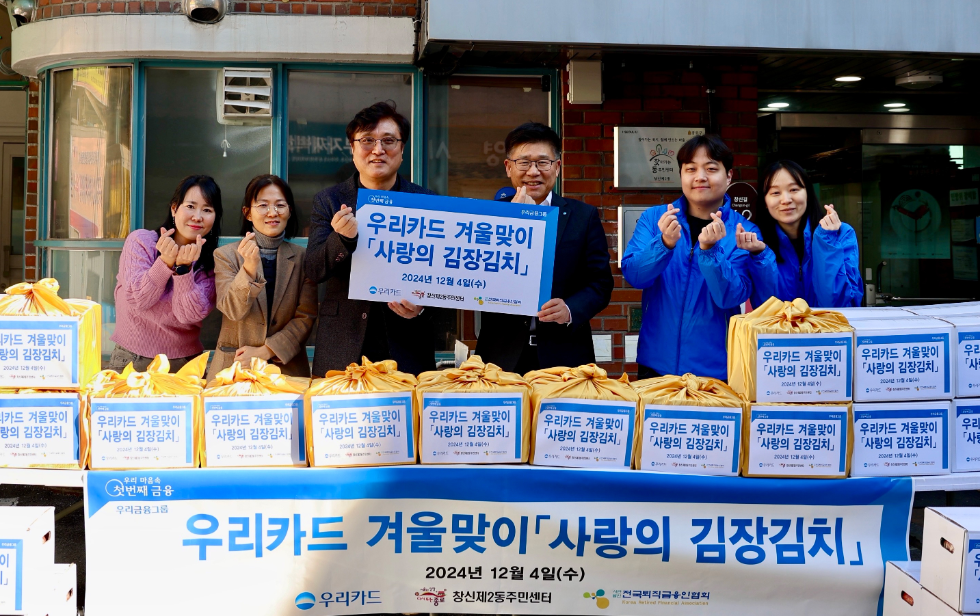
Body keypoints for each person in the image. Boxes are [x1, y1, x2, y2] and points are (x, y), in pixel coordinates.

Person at [305, 101, 438, 376]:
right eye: (367, 141)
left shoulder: (427, 202)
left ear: (402, 150)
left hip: (407, 344)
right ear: (352, 149)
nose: (378, 150)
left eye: (388, 141)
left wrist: (423, 306)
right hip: (344, 344)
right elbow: (314, 270)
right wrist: (342, 239)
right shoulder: (329, 200)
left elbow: (446, 276)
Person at [621, 135, 768, 381]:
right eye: (691, 169)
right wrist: (664, 244)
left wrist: (711, 251)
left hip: (716, 371)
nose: (700, 176)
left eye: (711, 168)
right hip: (655, 367)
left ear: (729, 176)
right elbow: (635, 275)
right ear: (681, 175)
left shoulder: (744, 231)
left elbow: (731, 296)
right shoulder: (654, 219)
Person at [475, 122, 613, 373]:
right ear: (509, 167)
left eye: (543, 162)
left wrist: (570, 308)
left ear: (557, 167)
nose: (533, 171)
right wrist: (512, 225)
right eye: (524, 162)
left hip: (565, 356)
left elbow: (601, 283)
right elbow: (474, 277)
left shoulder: (583, 216)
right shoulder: (489, 219)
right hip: (500, 356)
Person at [207, 175, 318, 380]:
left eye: (280, 205)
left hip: (285, 368)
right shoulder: (226, 255)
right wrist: (249, 268)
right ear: (247, 213)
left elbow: (306, 317)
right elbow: (231, 309)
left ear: (289, 211)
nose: (272, 213)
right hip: (234, 369)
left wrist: (267, 351)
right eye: (263, 205)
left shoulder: (303, 258)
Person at [110, 175, 222, 372]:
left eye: (207, 210)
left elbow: (188, 315)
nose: (197, 216)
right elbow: (138, 299)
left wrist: (184, 270)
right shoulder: (142, 242)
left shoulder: (211, 263)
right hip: (131, 360)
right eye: (190, 206)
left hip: (184, 365)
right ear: (174, 208)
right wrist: (164, 262)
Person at [736, 160, 864, 308]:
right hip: (779, 332)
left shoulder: (841, 234)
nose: (786, 200)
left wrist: (827, 243)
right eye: (775, 192)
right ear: (765, 201)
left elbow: (839, 305)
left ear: (808, 194)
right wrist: (760, 254)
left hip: (829, 330)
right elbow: (765, 309)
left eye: (794, 190)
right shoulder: (756, 241)